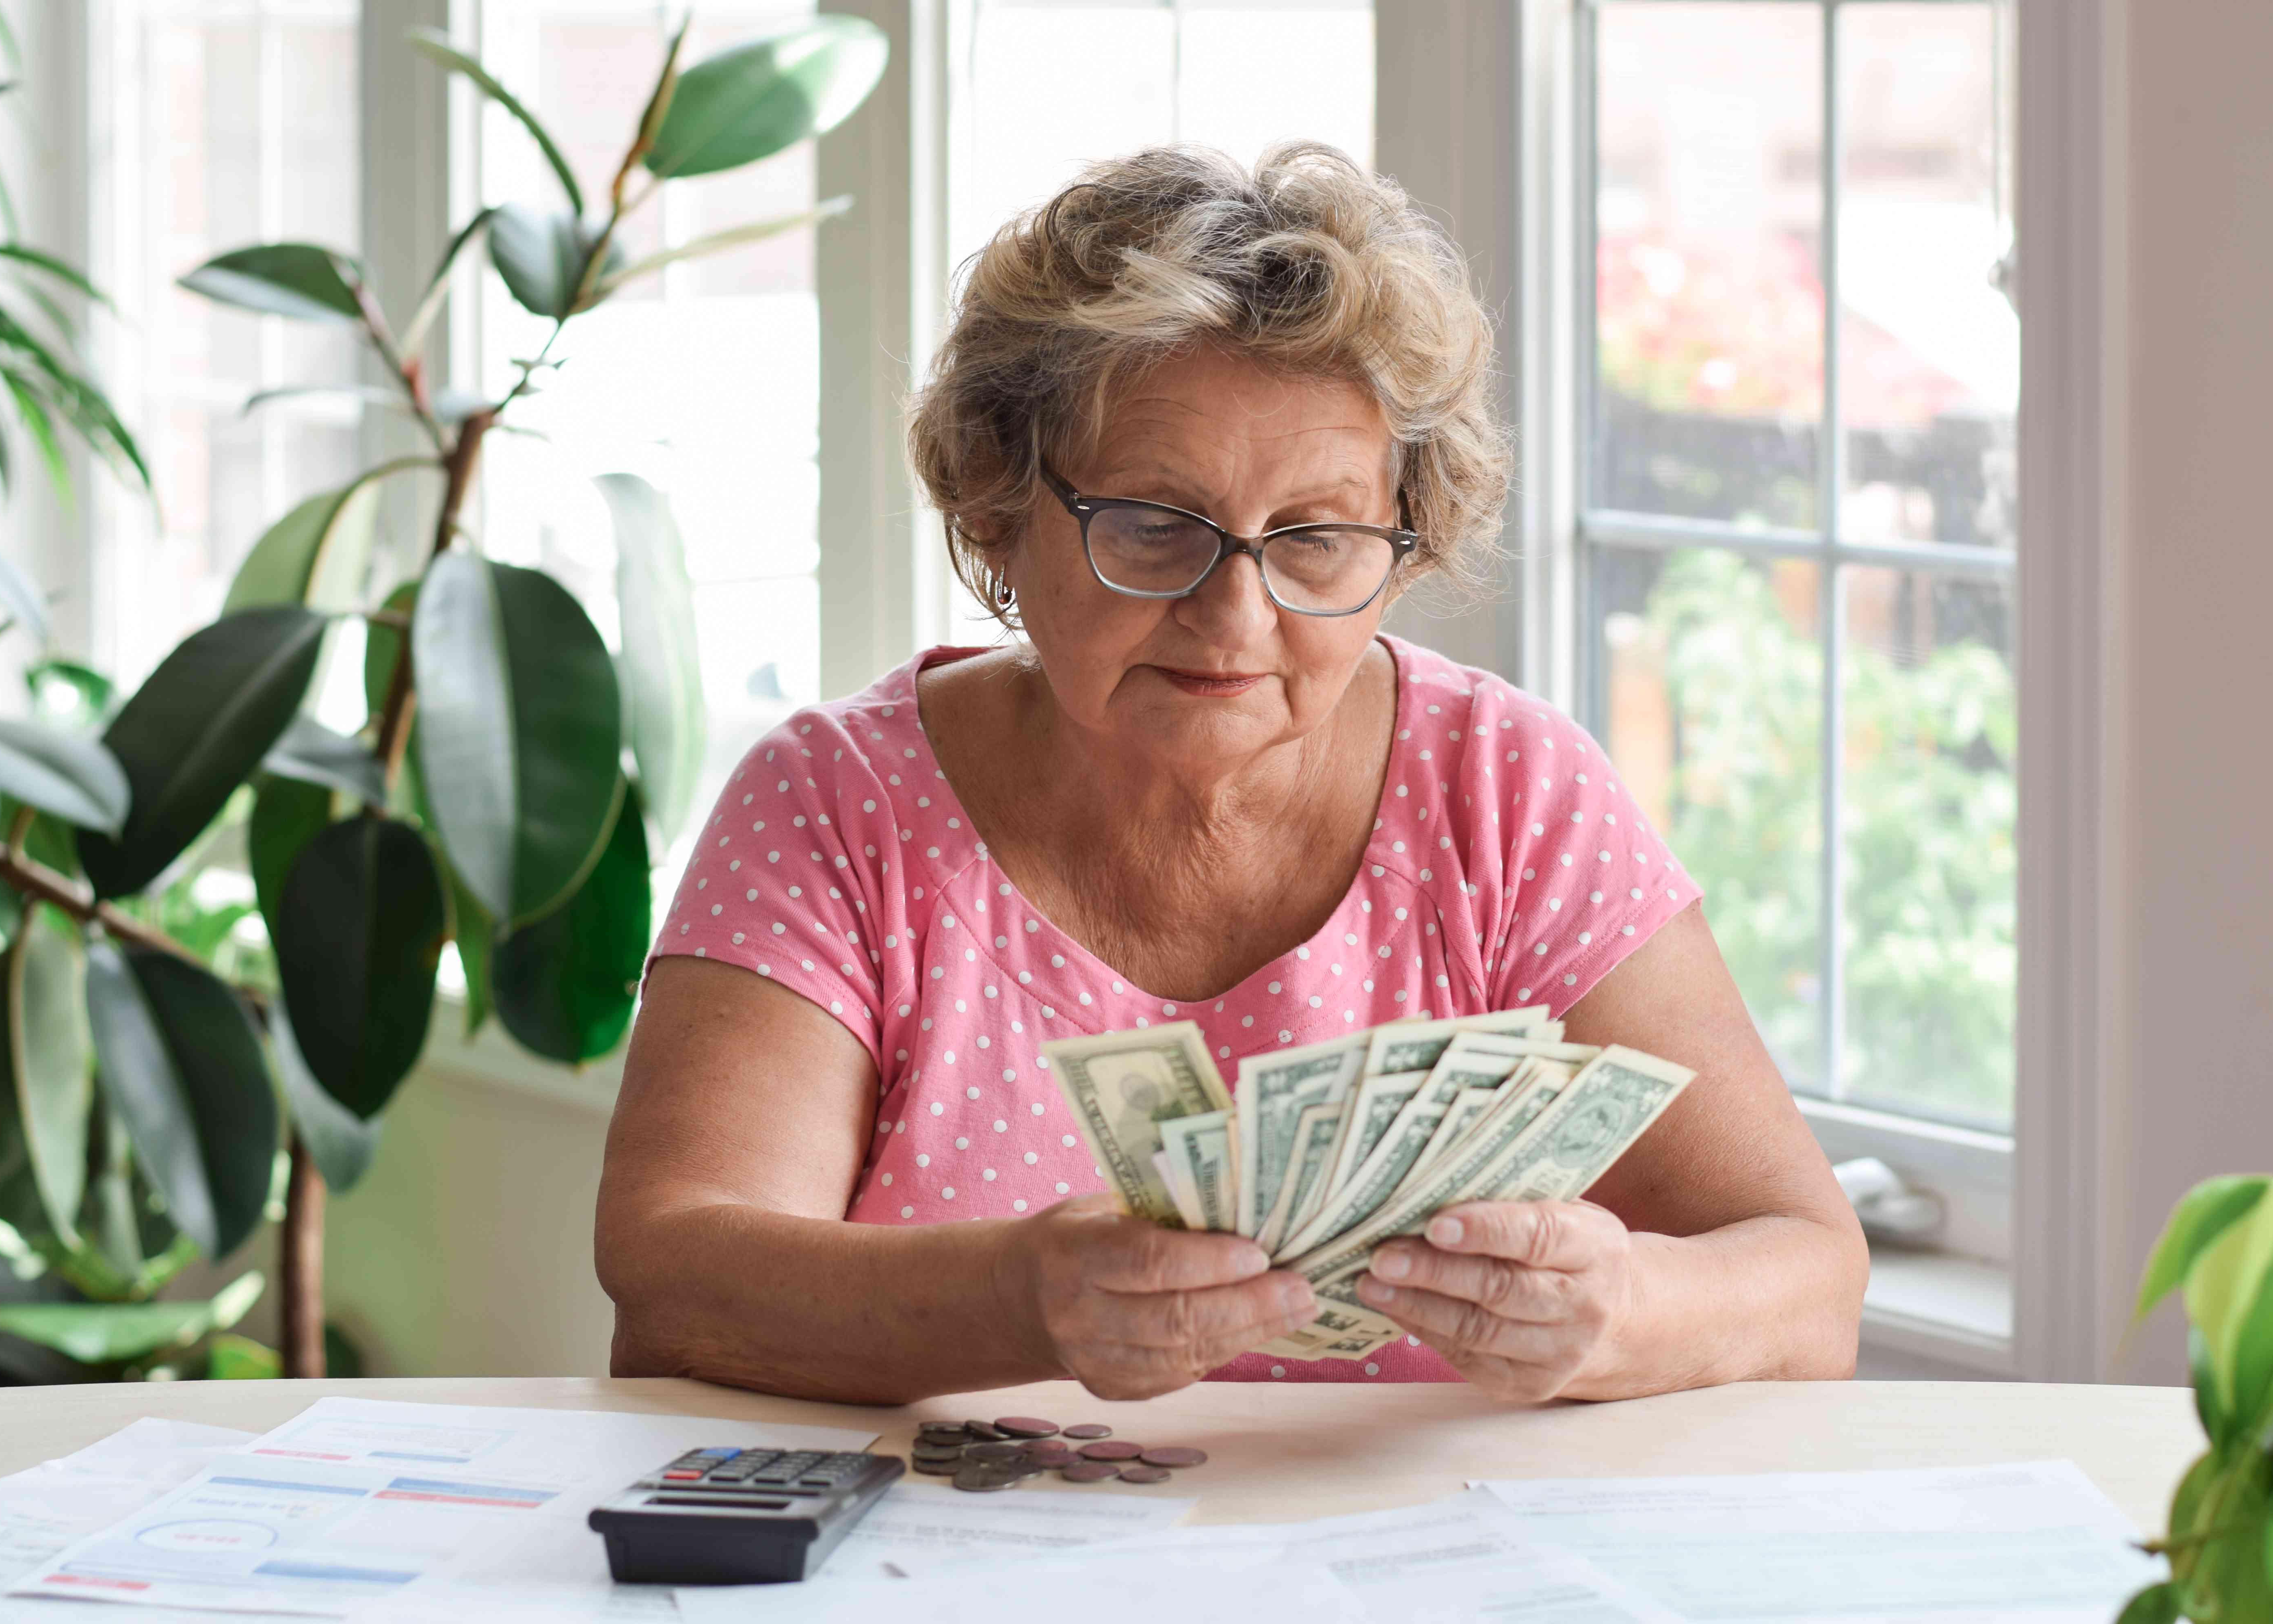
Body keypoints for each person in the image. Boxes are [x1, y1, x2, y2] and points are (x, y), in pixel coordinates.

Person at [595, 142, 1865, 1406]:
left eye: (1314, 540)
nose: (1236, 619)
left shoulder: (1504, 789)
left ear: (1403, 538)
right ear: (999, 506)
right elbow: (677, 1274)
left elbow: (1811, 1278)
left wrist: (1618, 1314)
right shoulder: (836, 803)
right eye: (1155, 528)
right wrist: (1020, 1302)